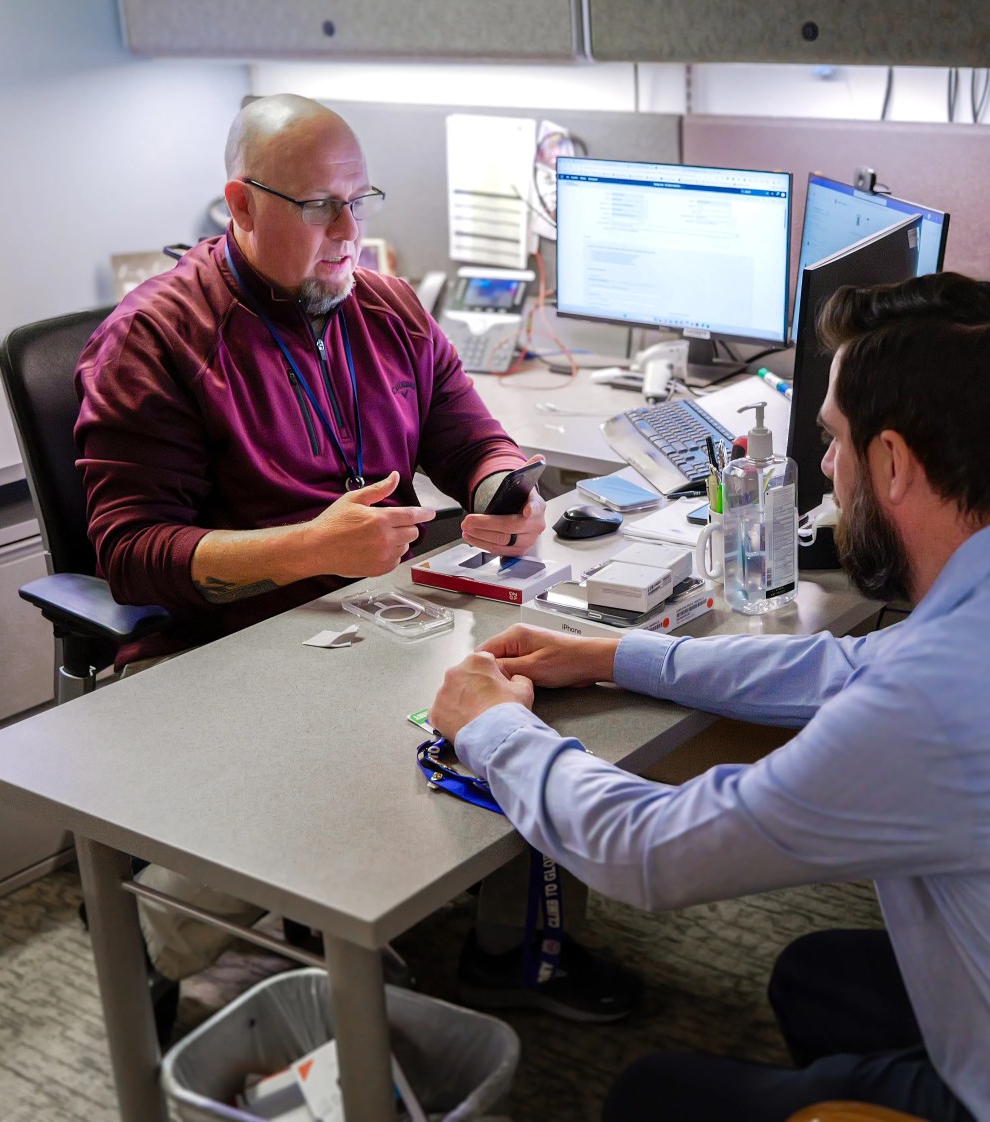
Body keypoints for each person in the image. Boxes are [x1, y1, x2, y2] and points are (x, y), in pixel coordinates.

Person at [430, 273, 990, 1121]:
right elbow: (843, 666)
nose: (827, 467)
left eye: (835, 438)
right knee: (816, 978)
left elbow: (647, 853)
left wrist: (495, 726)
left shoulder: (939, 705)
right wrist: (615, 654)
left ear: (894, 462)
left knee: (652, 1097)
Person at [74, 93, 638, 1022]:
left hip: (386, 613)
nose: (348, 231)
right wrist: (306, 549)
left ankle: (512, 947)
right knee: (325, 775)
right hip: (234, 643)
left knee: (542, 681)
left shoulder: (386, 307)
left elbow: (470, 438)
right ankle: (166, 936)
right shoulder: (155, 341)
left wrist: (507, 491)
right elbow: (131, 553)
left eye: (359, 200)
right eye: (318, 206)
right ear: (241, 206)